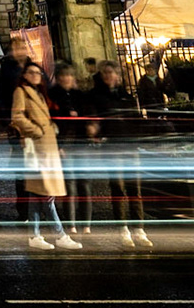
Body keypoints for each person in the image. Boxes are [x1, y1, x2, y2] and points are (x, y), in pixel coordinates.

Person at [10, 63, 79, 251]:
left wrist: (50, 128)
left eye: (38, 72)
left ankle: (35, 235)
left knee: (36, 194)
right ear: (24, 75)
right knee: (47, 195)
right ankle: (60, 235)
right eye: (31, 72)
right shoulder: (21, 92)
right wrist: (38, 130)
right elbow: (17, 117)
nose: (35, 75)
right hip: (39, 147)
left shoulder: (38, 93)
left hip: (46, 148)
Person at [90, 62, 151, 249]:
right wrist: (95, 131)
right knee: (117, 188)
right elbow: (94, 118)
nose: (108, 76)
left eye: (112, 72)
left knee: (135, 189)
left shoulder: (127, 97)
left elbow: (136, 121)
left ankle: (139, 230)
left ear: (118, 75)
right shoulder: (97, 97)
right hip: (112, 147)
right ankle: (123, 229)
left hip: (130, 147)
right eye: (105, 73)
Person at [50, 61, 96, 235]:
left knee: (84, 184)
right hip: (64, 146)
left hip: (81, 144)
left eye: (69, 75)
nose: (66, 78)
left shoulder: (79, 95)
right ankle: (71, 224)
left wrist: (90, 126)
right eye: (63, 75)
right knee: (69, 186)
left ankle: (86, 224)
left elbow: (89, 116)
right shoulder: (52, 96)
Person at [0, 37, 32, 221]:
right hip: (16, 125)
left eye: (23, 46)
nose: (21, 50)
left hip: (37, 125)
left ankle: (42, 208)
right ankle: (24, 210)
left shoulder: (34, 68)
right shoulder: (5, 71)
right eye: (17, 47)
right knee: (22, 170)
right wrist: (6, 122)